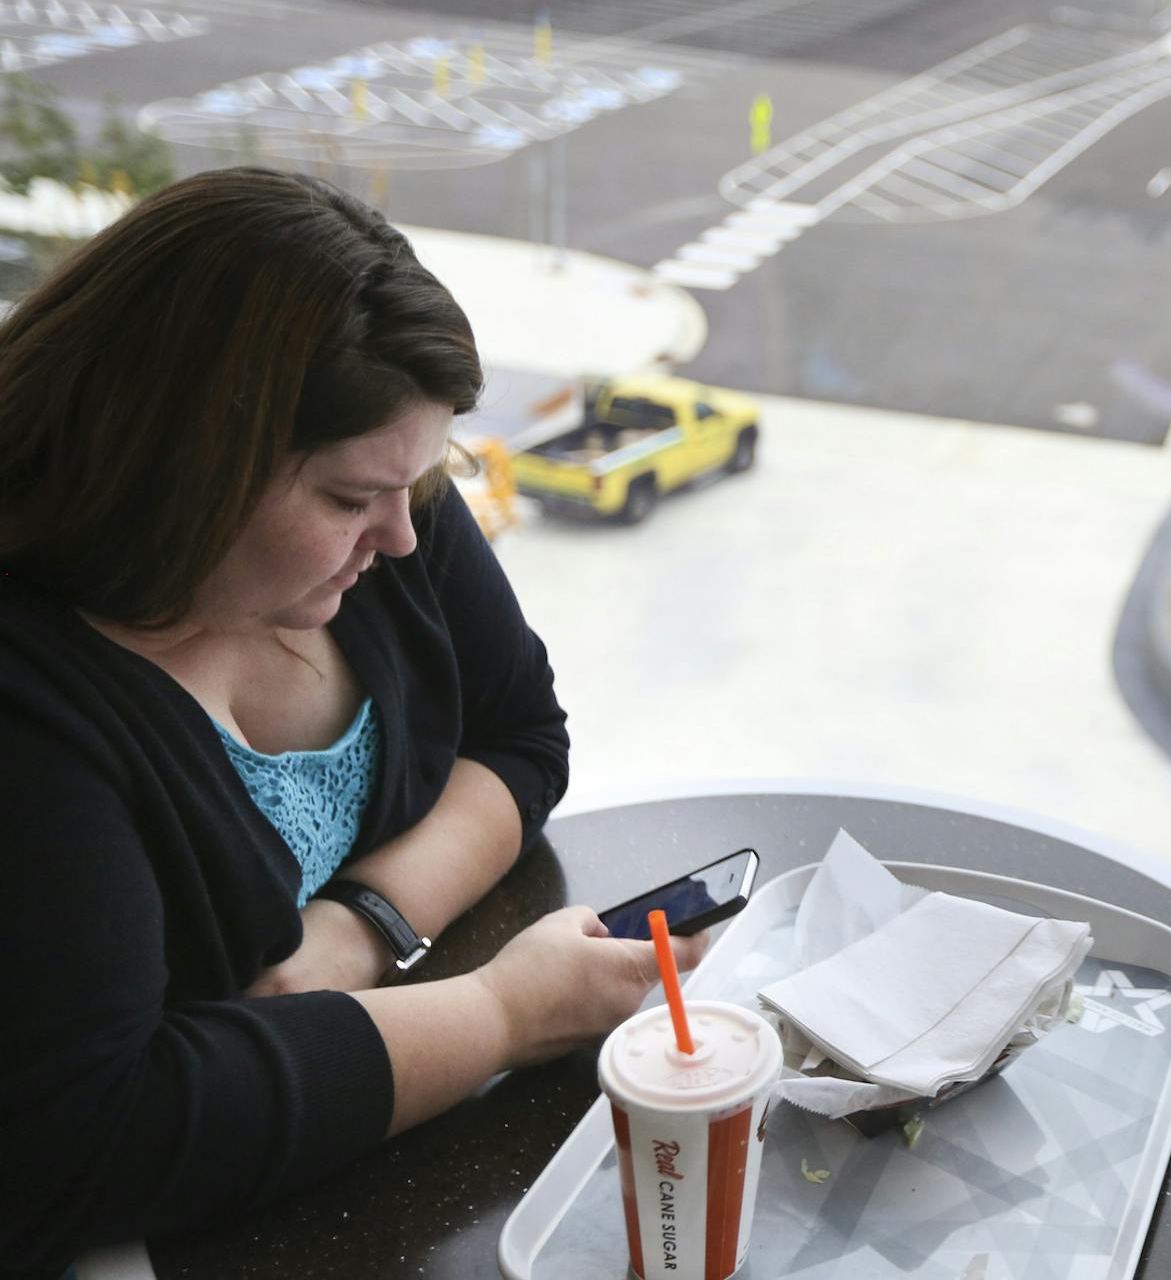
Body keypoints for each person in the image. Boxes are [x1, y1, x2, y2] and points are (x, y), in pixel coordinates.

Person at [0, 169, 698, 1278]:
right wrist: (503, 1013)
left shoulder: (390, 503)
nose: (406, 537)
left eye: (415, 484)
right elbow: (90, 1133)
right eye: (345, 499)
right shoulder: (32, 703)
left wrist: (364, 921)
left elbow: (520, 736)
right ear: (185, 465)